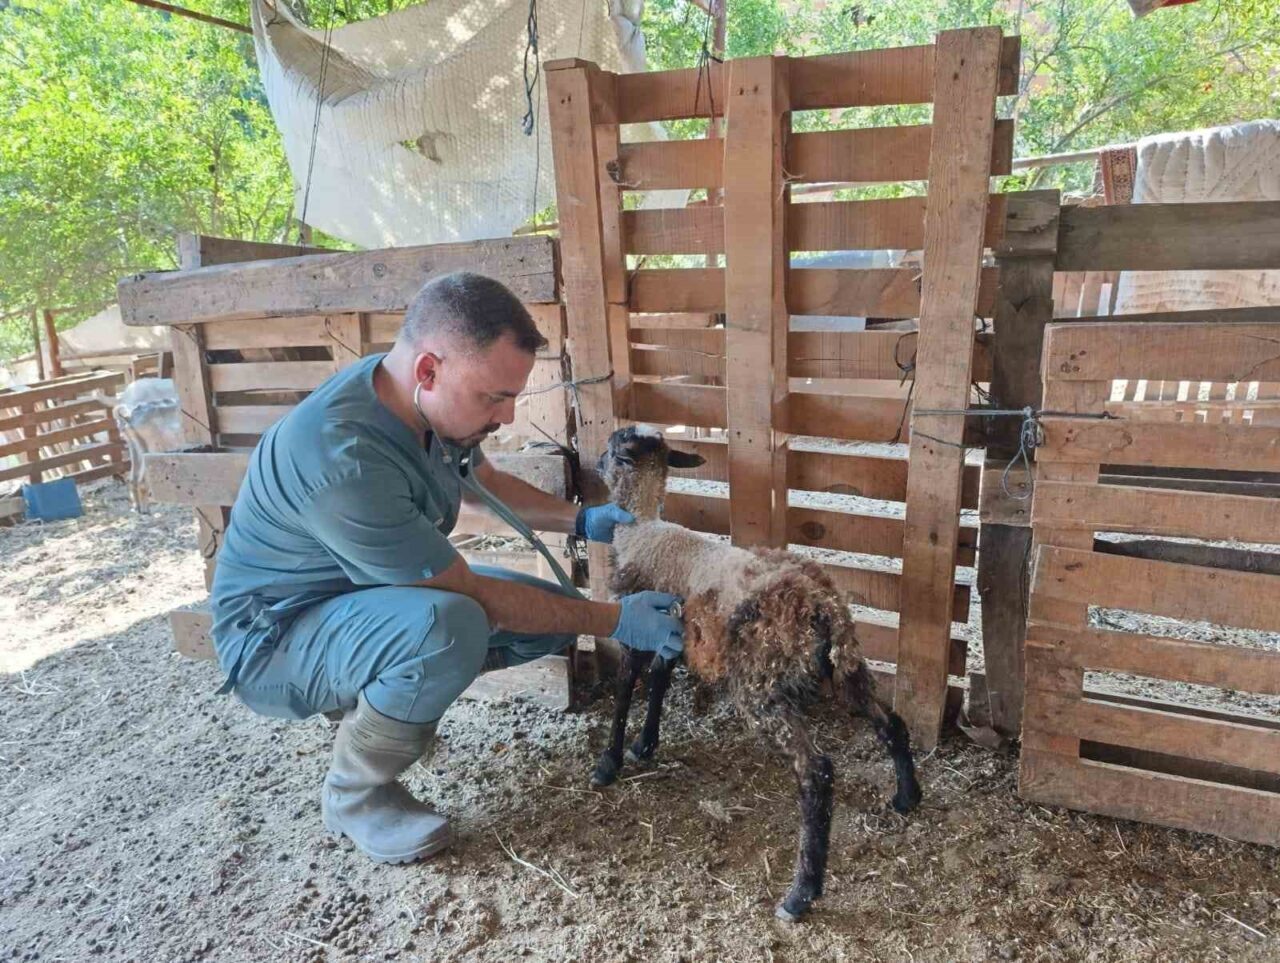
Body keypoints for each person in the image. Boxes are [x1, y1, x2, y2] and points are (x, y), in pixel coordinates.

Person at [209, 272, 684, 864]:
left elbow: (481, 482)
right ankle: (354, 796)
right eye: (494, 397)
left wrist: (582, 520)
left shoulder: (417, 403)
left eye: (512, 396)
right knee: (450, 626)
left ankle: (387, 700)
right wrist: (614, 619)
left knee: (549, 617)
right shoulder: (344, 459)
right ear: (429, 370)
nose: (507, 415)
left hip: (361, 598)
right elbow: (468, 596)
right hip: (276, 642)